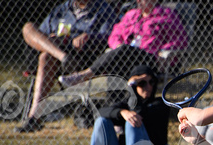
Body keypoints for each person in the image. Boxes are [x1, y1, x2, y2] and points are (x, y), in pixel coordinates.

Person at [16, 0, 118, 133]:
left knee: (45, 56)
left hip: (81, 58)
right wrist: (51, 38)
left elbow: (111, 36)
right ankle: (62, 57)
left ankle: (34, 117)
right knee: (28, 28)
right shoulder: (63, 8)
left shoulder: (103, 9)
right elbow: (40, 32)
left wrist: (88, 37)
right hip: (57, 52)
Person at [58, 0, 188, 87]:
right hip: (124, 56)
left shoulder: (166, 15)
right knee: (120, 57)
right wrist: (117, 46)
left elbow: (181, 39)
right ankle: (117, 118)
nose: (138, 1)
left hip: (150, 58)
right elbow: (114, 34)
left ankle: (84, 75)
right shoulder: (131, 15)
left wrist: (164, 52)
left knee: (123, 51)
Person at [84, 64, 170, 145]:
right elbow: (102, 112)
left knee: (133, 119)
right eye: (142, 83)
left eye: (151, 82)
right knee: (102, 121)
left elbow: (140, 112)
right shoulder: (126, 104)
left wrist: (128, 110)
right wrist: (122, 112)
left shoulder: (161, 104)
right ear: (135, 86)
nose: (149, 86)